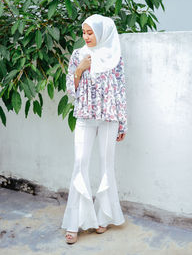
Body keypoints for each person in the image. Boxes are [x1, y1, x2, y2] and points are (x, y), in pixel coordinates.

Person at [61, 14, 127, 244]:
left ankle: (103, 217)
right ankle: (73, 223)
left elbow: (120, 90)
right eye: (84, 32)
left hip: (109, 118)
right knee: (80, 163)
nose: (86, 36)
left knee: (107, 164)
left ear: (102, 33)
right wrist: (80, 68)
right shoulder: (79, 54)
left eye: (91, 32)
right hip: (85, 117)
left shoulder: (115, 56)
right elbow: (71, 89)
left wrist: (123, 122)